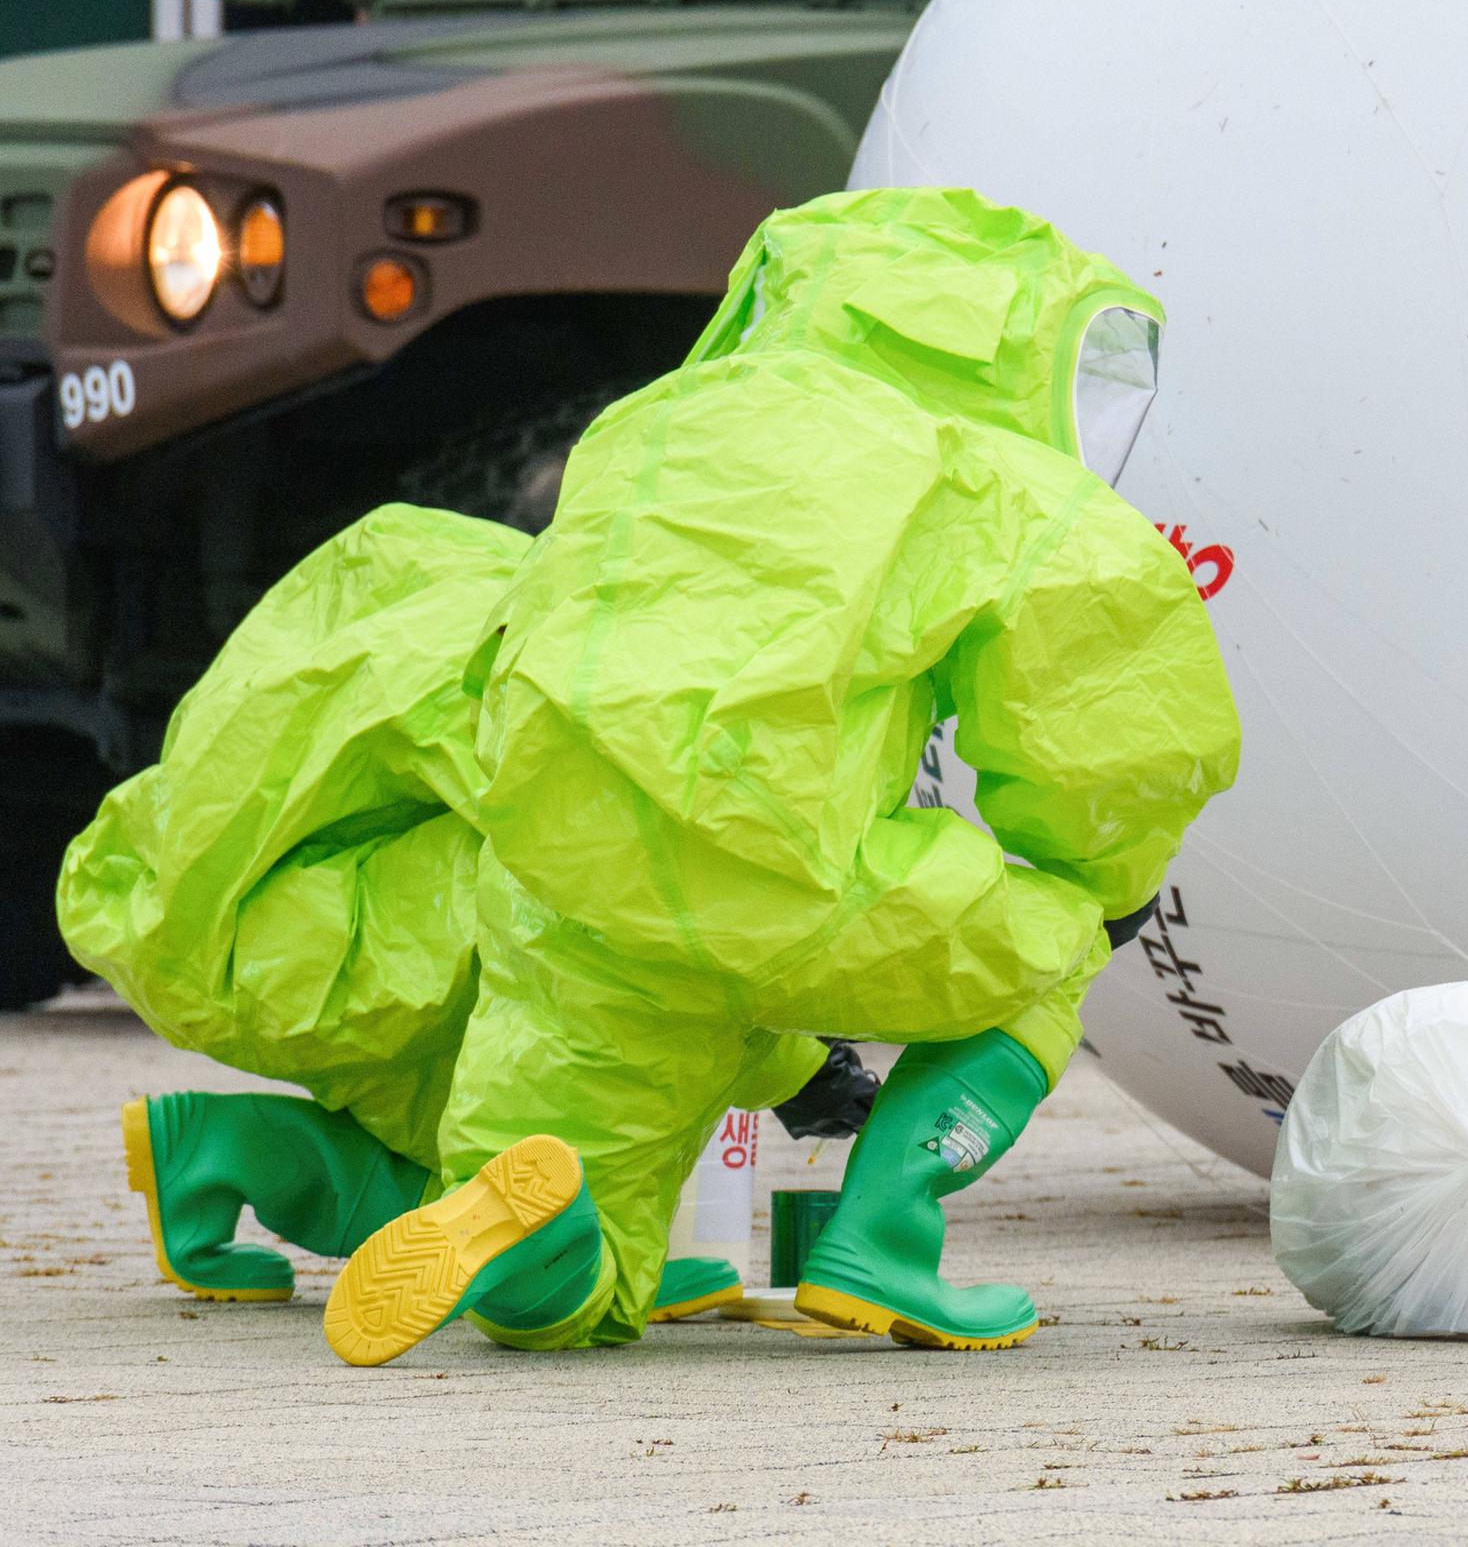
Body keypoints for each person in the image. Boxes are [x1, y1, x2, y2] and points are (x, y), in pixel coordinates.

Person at [308, 188, 1242, 1365]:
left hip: (565, 901)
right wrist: (1101, 885)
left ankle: (526, 1244)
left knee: (572, 1302)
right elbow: (1116, 722)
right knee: (1056, 946)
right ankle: (882, 1244)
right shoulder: (986, 477)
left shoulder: (644, 431)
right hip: (802, 891)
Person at [61, 507, 869, 1326]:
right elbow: (633, 909)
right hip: (319, 945)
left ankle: (203, 1150)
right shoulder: (574, 688)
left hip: (260, 920)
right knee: (556, 1065)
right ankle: (564, 1259)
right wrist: (797, 1065)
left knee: (513, 1118)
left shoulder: (535, 617)